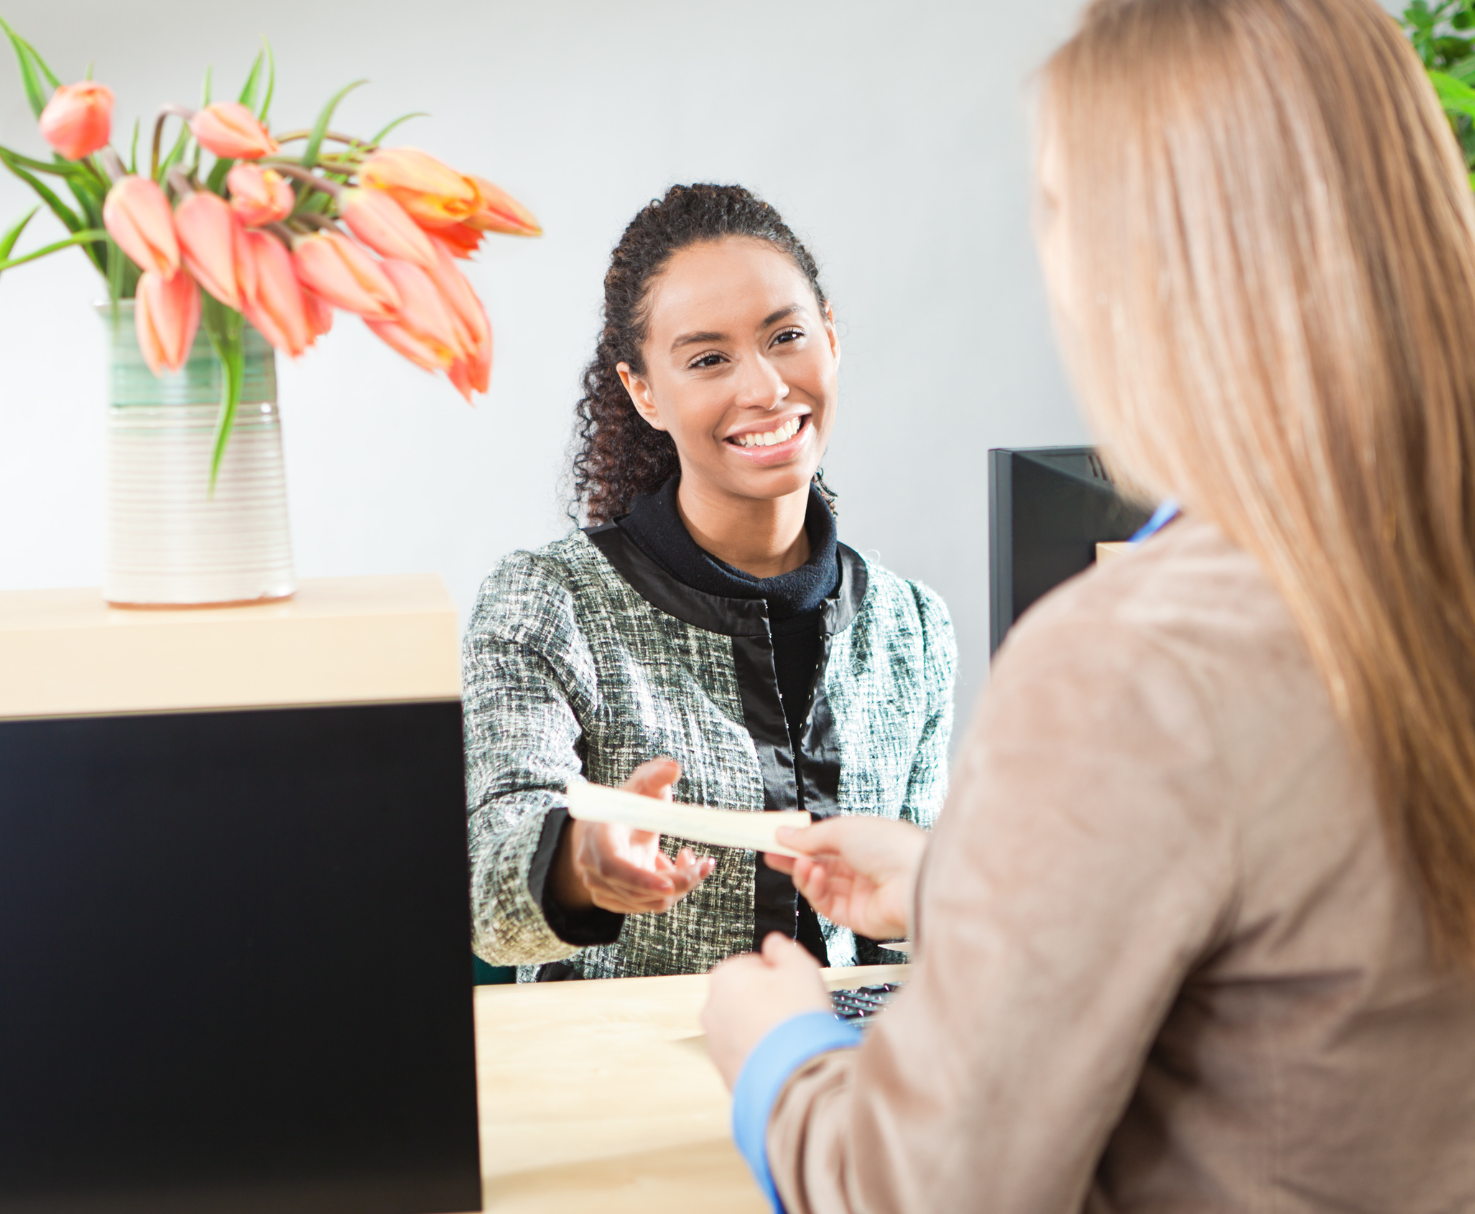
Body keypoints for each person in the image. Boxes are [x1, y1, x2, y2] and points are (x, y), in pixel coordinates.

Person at [701, 0, 1475, 1210]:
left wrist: (778, 1049)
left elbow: (926, 1187)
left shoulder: (1131, 660)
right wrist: (963, 877)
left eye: (1058, 216)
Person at [464, 184, 957, 981]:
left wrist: (938, 895)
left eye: (787, 336)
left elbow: (917, 941)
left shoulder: (914, 626)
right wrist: (580, 864)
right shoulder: (549, 604)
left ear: (830, 338)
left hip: (846, 1085)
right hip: (628, 1092)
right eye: (707, 359)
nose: (763, 388)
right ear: (644, 391)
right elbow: (490, 896)